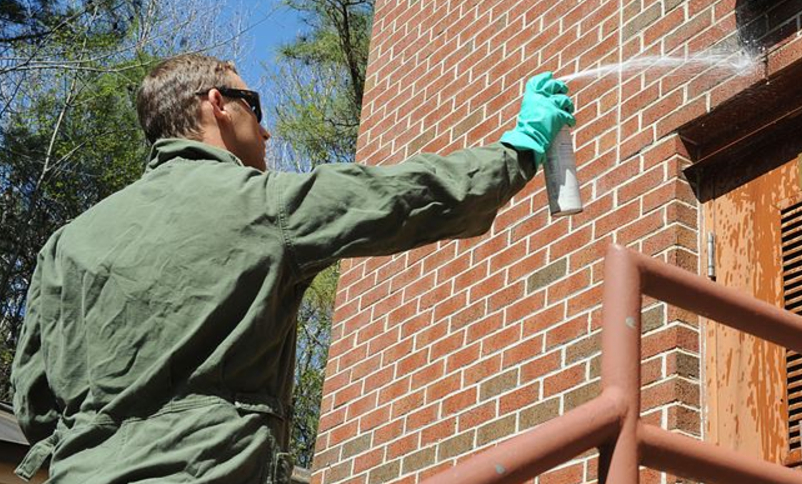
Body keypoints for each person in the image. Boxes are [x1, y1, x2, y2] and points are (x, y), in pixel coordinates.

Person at [11, 54, 575, 483]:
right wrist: (518, 152)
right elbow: (402, 196)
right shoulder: (264, 204)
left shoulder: (66, 243)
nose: (267, 129)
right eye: (254, 106)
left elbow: (34, 406)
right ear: (217, 104)